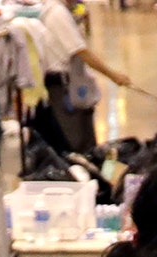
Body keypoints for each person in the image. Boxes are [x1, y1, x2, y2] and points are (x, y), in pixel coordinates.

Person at [26, 0, 132, 154]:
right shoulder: (57, 13)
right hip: (63, 87)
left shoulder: (57, 10)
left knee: (82, 140)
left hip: (68, 83)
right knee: (78, 144)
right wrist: (113, 75)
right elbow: (80, 51)